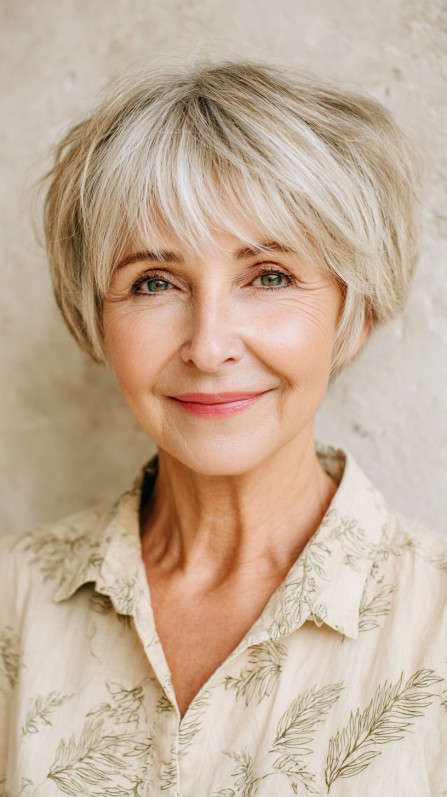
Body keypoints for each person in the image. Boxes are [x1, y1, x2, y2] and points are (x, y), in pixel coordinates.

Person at [1, 60, 446, 797]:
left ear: (353, 312)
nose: (208, 346)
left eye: (268, 275)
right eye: (154, 281)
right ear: (96, 318)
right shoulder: (14, 599)